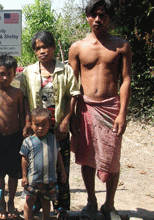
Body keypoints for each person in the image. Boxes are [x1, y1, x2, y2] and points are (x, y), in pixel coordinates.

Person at [69, 1, 132, 220]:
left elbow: (125, 80)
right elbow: (72, 83)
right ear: (87, 17)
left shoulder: (121, 45)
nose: (98, 19)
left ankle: (109, 205)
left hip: (111, 108)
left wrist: (122, 113)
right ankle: (91, 202)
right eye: (93, 15)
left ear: (109, 17)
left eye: (102, 15)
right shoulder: (77, 47)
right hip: (85, 108)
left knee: (112, 158)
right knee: (86, 157)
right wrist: (72, 115)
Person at [20, 31, 80, 219]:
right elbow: (23, 99)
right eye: (38, 48)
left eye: (45, 47)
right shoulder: (29, 72)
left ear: (53, 48)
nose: (42, 51)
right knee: (37, 167)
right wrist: (28, 122)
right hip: (37, 130)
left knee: (61, 169)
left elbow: (73, 96)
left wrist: (65, 122)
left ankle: (61, 208)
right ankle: (37, 203)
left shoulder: (66, 70)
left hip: (58, 129)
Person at [0, 54, 25, 219]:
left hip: (15, 137)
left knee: (14, 173)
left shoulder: (17, 93)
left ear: (14, 74)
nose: (5, 77)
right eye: (1, 74)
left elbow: (22, 114)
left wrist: (25, 132)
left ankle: (11, 202)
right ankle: (1, 201)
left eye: (9, 74)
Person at [20, 108, 67, 220]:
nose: (40, 128)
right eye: (37, 125)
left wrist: (63, 171)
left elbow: (58, 155)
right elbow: (24, 159)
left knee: (46, 202)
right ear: (31, 124)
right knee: (29, 201)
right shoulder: (28, 141)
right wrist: (24, 176)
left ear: (49, 124)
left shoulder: (53, 139)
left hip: (49, 179)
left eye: (43, 125)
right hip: (32, 180)